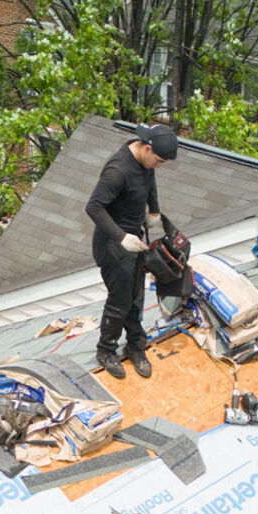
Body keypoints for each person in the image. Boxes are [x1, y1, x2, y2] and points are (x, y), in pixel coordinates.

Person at [85, 123, 179, 379]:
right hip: (113, 243)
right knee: (121, 301)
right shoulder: (118, 170)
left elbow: (150, 180)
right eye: (158, 160)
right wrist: (121, 236)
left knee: (136, 297)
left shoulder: (145, 161)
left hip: (134, 239)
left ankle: (135, 346)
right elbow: (93, 207)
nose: (159, 165)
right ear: (147, 148)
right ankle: (105, 350)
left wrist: (154, 211)